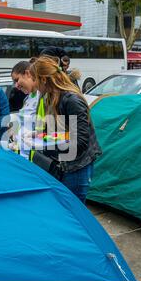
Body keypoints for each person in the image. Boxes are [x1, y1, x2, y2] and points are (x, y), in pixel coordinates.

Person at [29, 56, 102, 203]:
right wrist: (37, 135)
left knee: (74, 213)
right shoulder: (50, 97)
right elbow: (57, 132)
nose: (34, 84)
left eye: (34, 79)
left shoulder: (72, 100)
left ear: (43, 79)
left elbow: (79, 143)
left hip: (76, 169)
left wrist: (43, 147)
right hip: (62, 166)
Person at [10, 60, 41, 159]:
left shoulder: (42, 96)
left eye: (17, 80)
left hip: (35, 159)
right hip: (24, 157)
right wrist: (16, 139)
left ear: (27, 73)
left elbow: (47, 131)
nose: (16, 86)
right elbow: (26, 127)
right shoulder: (28, 98)